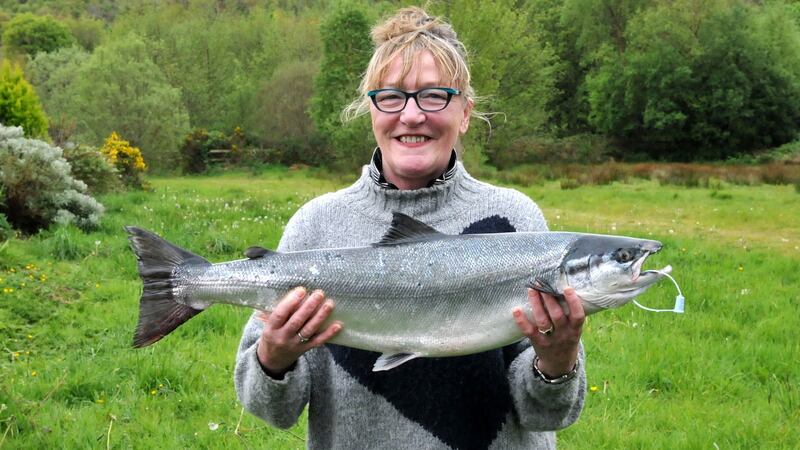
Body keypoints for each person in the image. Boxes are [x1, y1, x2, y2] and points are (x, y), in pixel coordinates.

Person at [234, 7, 586, 449]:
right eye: (392, 96)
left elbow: (548, 415)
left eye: (434, 95)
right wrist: (273, 357)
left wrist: (557, 362)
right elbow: (270, 409)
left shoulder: (516, 220)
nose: (412, 115)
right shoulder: (316, 226)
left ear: (465, 112)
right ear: (371, 110)